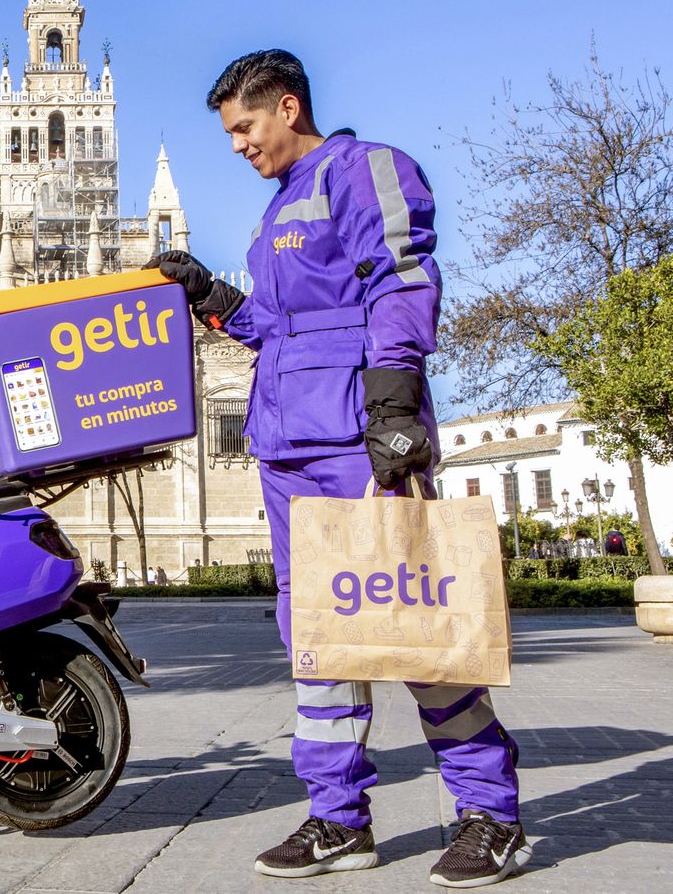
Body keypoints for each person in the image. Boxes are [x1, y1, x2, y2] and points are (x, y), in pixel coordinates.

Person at [147, 50, 526, 887]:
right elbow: (276, 331)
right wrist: (211, 293)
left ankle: (489, 813)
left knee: (421, 626)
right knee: (319, 640)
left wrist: (394, 408)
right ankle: (337, 817)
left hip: (360, 438)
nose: (239, 145)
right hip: (288, 449)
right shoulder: (275, 214)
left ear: (287, 107)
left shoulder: (364, 170)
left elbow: (402, 279)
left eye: (244, 127)